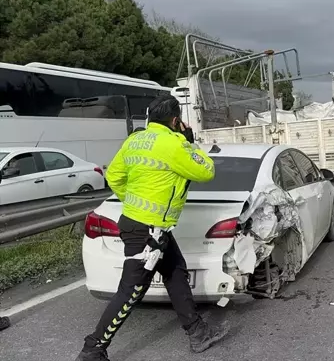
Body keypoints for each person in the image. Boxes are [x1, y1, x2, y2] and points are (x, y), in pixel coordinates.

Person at [76, 95, 229, 361]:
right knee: (131, 291)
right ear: (175, 120)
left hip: (142, 225)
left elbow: (113, 175)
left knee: (175, 272)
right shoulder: (174, 144)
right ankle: (93, 349)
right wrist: (188, 141)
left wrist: (133, 202)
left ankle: (197, 332)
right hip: (148, 233)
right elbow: (206, 171)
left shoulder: (134, 140)